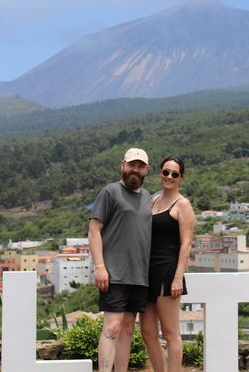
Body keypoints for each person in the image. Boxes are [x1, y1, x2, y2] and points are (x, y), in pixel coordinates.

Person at [88, 148, 153, 372]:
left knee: (127, 329)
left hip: (139, 277)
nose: (135, 170)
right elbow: (94, 231)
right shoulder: (110, 192)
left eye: (140, 166)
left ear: (146, 170)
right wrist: (99, 267)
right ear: (123, 165)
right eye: (131, 165)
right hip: (114, 274)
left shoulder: (148, 198)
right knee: (113, 328)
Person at [141, 156, 196, 372]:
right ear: (160, 173)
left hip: (167, 270)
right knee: (147, 332)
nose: (169, 177)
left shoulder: (183, 204)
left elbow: (187, 243)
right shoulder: (153, 200)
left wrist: (177, 279)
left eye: (174, 174)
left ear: (181, 177)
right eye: (166, 172)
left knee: (170, 332)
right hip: (146, 271)